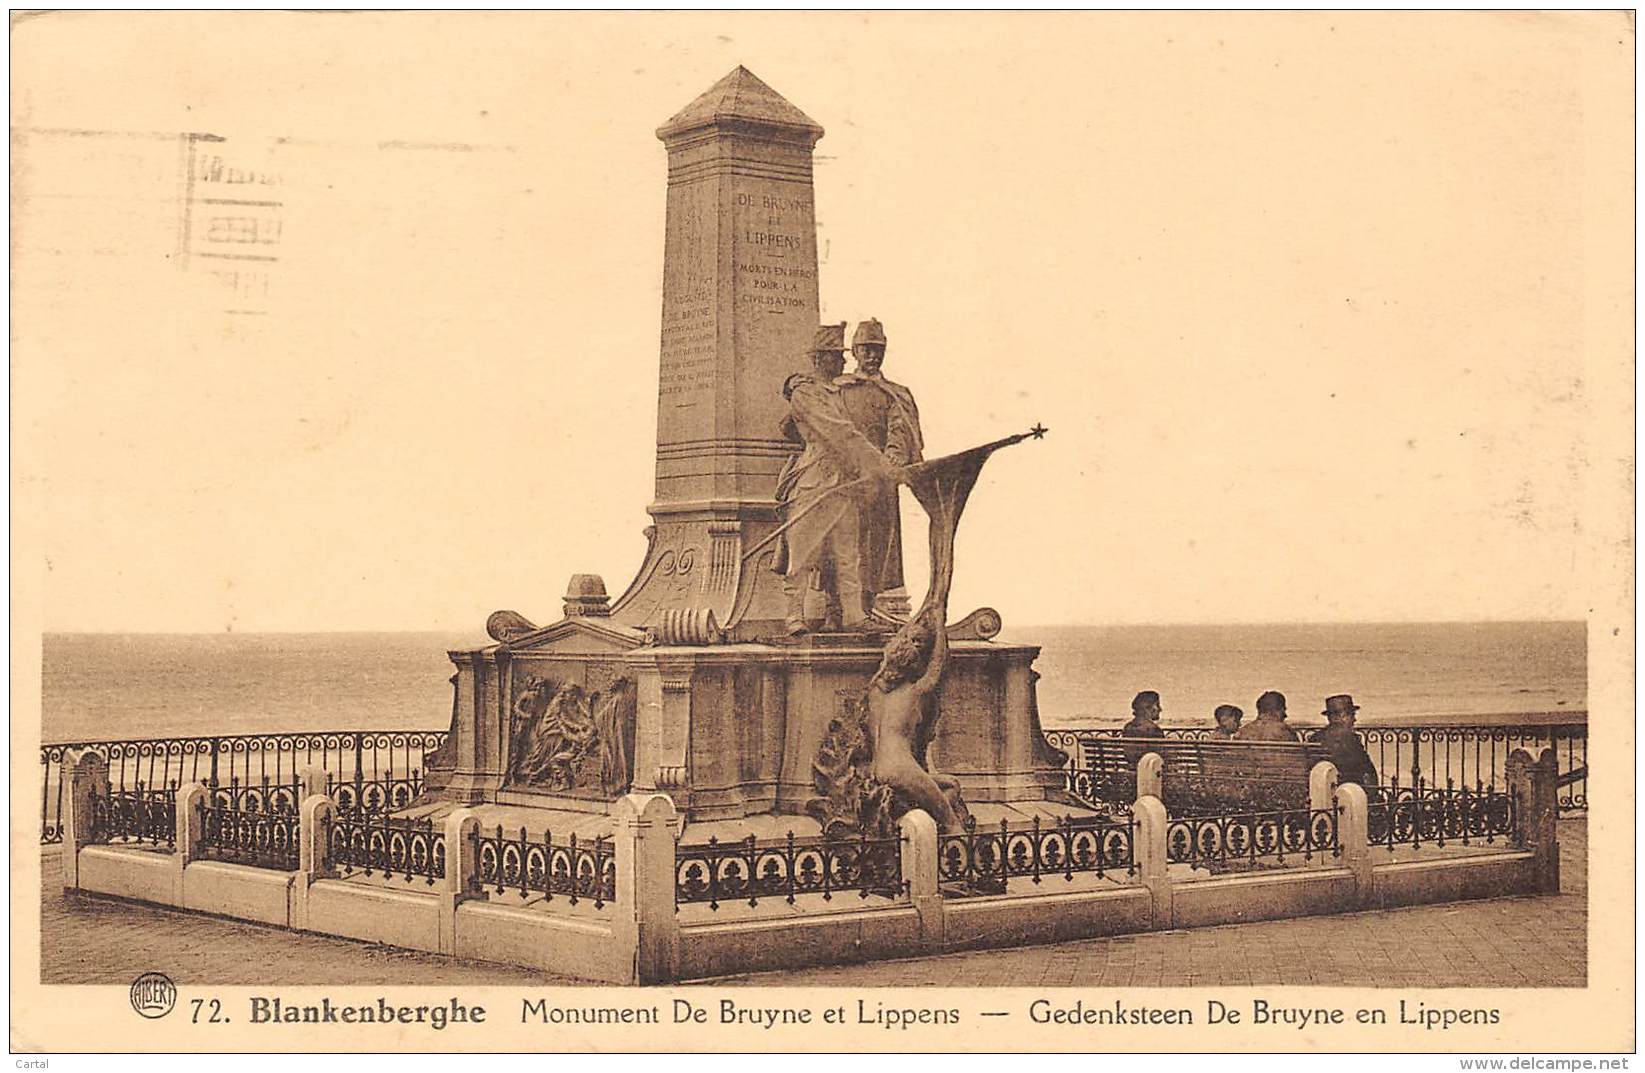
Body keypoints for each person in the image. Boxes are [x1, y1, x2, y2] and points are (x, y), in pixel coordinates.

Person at [775, 326, 898, 636]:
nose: (843, 363)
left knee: (848, 555)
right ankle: (793, 617)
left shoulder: (835, 392)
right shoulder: (806, 393)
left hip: (844, 484)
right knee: (803, 554)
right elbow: (840, 432)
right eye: (835, 357)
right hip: (814, 482)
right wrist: (879, 464)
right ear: (820, 360)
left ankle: (854, 616)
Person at [836, 318, 923, 617]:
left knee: (877, 547)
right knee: (840, 545)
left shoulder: (894, 393)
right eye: (867, 349)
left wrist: (894, 457)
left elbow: (900, 429)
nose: (873, 356)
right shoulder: (839, 389)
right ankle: (837, 611)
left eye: (878, 350)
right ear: (855, 352)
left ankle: (867, 607)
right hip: (843, 479)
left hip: (880, 481)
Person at [1311, 694, 1379, 786]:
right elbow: (1368, 770)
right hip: (1348, 791)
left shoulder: (1315, 737)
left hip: (1322, 790)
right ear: (1340, 717)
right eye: (1352, 715)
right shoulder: (1351, 739)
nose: (1354, 719)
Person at [1235, 690, 1301, 742]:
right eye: (1282, 710)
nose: (1285, 715)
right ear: (1274, 711)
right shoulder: (1287, 731)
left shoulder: (1242, 732)